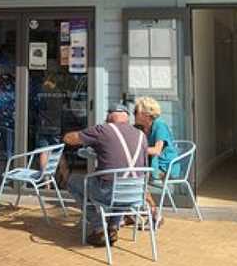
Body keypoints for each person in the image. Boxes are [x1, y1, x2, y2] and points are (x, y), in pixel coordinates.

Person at [62, 104, 148, 247]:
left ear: (110, 116)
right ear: (127, 118)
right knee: (122, 182)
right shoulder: (142, 136)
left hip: (108, 193)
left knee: (73, 181)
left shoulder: (103, 130)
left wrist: (65, 135)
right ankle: (113, 227)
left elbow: (71, 139)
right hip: (134, 195)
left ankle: (99, 228)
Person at [133, 96, 178, 226]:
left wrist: (136, 149)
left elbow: (157, 150)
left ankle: (155, 214)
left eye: (136, 111)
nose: (134, 114)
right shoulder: (140, 127)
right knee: (131, 176)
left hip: (165, 166)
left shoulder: (159, 125)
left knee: (138, 180)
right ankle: (130, 214)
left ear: (146, 114)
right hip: (150, 163)